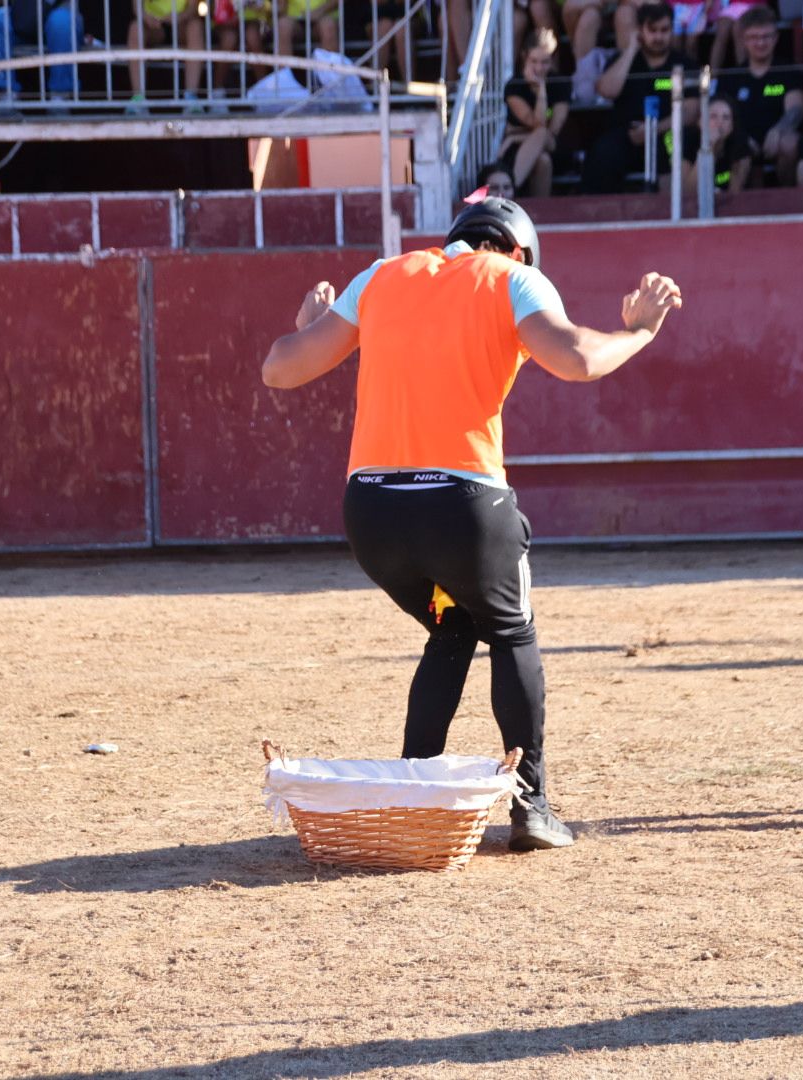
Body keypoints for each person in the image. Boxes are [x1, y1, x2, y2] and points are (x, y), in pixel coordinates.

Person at [260, 198, 682, 851]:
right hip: (463, 509)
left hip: (371, 514)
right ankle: (532, 806)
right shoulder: (511, 277)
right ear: (517, 249)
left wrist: (310, 325)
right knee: (511, 628)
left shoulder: (381, 275)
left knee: (453, 627)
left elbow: (280, 368)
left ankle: (410, 799)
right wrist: (641, 332)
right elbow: (574, 358)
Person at [582, 2, 695, 195]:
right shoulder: (624, 60)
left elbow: (691, 112)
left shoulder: (685, 64)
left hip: (666, 133)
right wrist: (631, 49)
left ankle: (672, 215)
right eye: (652, 30)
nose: (658, 36)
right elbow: (606, 91)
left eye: (664, 30)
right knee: (602, 152)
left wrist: (652, 131)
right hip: (627, 135)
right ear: (640, 31)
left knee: (681, 147)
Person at [714, 6, 803, 184]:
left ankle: (789, 198)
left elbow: (796, 108)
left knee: (790, 143)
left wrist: (779, 129)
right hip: (742, 144)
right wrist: (741, 138)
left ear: (776, 38)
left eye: (766, 37)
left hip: (776, 142)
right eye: (754, 37)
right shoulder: (731, 76)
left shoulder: (788, 71)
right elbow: (720, 116)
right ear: (744, 40)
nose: (760, 43)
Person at [499, 27, 570, 197]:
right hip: (517, 151)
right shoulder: (514, 86)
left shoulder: (560, 85)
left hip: (550, 145)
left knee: (541, 135)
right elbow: (537, 123)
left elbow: (549, 130)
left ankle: (510, 189)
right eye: (534, 61)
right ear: (525, 57)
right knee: (542, 161)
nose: (539, 68)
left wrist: (541, 90)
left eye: (545, 62)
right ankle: (529, 202)